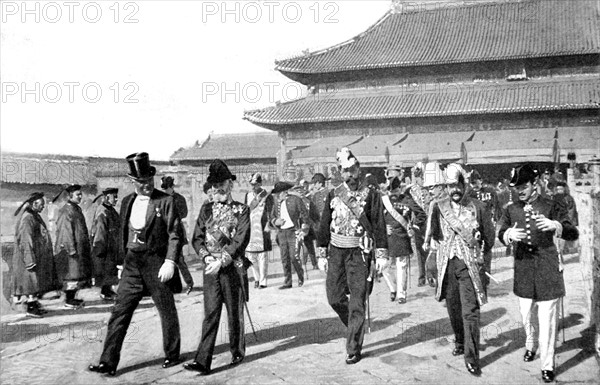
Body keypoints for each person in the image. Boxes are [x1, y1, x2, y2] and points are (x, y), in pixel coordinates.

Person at [89, 152, 183, 376]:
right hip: (132, 264)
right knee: (120, 312)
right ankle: (108, 362)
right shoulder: (127, 201)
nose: (147, 186)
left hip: (156, 263)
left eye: (149, 181)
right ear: (133, 182)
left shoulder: (165, 201)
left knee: (166, 309)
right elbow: (123, 233)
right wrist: (121, 263)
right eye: (141, 182)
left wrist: (170, 261)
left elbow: (175, 234)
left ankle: (172, 353)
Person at [498, 164, 579, 383]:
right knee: (526, 315)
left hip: (547, 266)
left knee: (548, 319)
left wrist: (556, 225)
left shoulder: (552, 205)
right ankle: (530, 344)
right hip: (524, 267)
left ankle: (548, 365)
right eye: (517, 187)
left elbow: (573, 232)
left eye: (524, 186)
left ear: (535, 185)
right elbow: (500, 232)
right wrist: (507, 234)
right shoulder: (511, 209)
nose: (519, 191)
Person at [317, 147, 389, 364]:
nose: (348, 175)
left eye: (352, 170)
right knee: (334, 297)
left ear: (358, 170)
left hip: (359, 253)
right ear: (340, 172)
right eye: (344, 171)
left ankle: (353, 347)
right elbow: (324, 225)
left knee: (358, 300)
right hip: (336, 252)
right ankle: (355, 325)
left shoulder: (372, 195)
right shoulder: (333, 193)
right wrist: (321, 251)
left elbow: (378, 224)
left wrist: (382, 253)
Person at [184, 159, 250, 375]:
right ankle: (203, 360)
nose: (217, 189)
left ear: (230, 185)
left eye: (221, 184)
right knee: (210, 313)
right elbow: (197, 238)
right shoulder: (206, 210)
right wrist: (205, 258)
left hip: (231, 268)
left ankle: (237, 351)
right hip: (210, 268)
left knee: (233, 312)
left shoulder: (242, 210)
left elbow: (240, 240)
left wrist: (222, 259)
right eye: (214, 185)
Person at [429, 163, 495, 377]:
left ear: (464, 185)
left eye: (457, 185)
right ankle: (459, 339)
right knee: (454, 309)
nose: (454, 190)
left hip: (470, 267)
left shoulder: (478, 207)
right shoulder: (438, 207)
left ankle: (472, 357)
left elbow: (489, 239)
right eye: (449, 187)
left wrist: (482, 262)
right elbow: (434, 237)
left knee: (470, 312)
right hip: (447, 266)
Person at [12, 192, 60, 317]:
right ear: (34, 204)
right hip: (28, 258)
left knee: (34, 283)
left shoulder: (34, 216)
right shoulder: (28, 218)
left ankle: (33, 305)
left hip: (35, 256)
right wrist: (29, 260)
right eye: (41, 205)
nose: (43, 207)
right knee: (30, 284)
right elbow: (25, 240)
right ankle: (31, 308)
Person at [381, 177, 426, 304]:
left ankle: (401, 294)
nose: (394, 193)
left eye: (396, 190)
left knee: (402, 266)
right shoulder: (383, 201)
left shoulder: (407, 200)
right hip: (387, 237)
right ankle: (392, 288)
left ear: (400, 189)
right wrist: (383, 228)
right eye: (392, 190)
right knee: (384, 267)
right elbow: (376, 218)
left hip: (402, 237)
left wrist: (414, 226)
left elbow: (421, 214)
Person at [53, 184, 92, 308]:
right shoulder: (66, 210)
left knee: (77, 275)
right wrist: (71, 250)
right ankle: (69, 300)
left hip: (79, 249)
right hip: (71, 251)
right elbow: (66, 232)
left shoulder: (76, 209)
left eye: (81, 194)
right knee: (71, 276)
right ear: (70, 196)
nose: (80, 197)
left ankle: (72, 298)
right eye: (78, 195)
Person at [270, 181, 308, 289]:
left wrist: (303, 230)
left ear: (284, 192)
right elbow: (271, 217)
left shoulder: (296, 200)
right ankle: (288, 282)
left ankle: (300, 276)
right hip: (282, 233)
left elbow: (305, 215)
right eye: (276, 194)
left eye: (278, 193)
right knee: (284, 257)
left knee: (294, 256)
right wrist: (275, 221)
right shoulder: (276, 203)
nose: (277, 195)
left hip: (293, 231)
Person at [161, 176, 194, 294]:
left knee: (179, 259)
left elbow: (184, 213)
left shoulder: (179, 198)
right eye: (164, 189)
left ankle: (189, 283)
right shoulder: (161, 198)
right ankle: (172, 286)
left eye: (167, 188)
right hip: (163, 233)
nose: (165, 191)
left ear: (172, 187)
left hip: (176, 232)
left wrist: (173, 215)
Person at [244, 172, 274, 289]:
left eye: (255, 184)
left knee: (262, 256)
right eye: (251, 184)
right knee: (251, 256)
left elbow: (271, 212)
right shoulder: (248, 195)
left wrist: (268, 224)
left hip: (262, 228)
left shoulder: (267, 195)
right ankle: (256, 278)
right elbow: (246, 211)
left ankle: (263, 281)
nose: (253, 186)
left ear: (260, 184)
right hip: (250, 228)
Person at [90, 188, 121, 301]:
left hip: (112, 247)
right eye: (114, 197)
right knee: (105, 270)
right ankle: (105, 292)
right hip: (105, 248)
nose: (116, 199)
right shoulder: (102, 212)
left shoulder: (111, 211)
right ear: (107, 197)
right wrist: (100, 249)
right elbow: (100, 232)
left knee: (110, 270)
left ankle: (107, 290)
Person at [406, 162, 432, 287]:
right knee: (419, 250)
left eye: (422, 176)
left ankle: (431, 275)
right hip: (417, 223)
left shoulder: (431, 189)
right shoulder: (411, 191)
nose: (421, 179)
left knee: (430, 249)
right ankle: (422, 277)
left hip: (430, 222)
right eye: (418, 177)